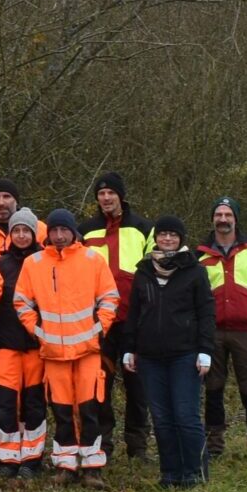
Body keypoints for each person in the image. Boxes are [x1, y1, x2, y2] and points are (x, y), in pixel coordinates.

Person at [13, 208, 117, 488]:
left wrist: (99, 328)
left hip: (87, 351)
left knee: (90, 409)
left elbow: (109, 298)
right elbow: (21, 302)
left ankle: (92, 467)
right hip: (54, 353)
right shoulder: (34, 263)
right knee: (60, 410)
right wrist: (38, 331)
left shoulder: (93, 259)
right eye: (55, 231)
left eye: (64, 230)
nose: (59, 236)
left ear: (73, 232)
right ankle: (65, 465)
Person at [122, 216, 216, 487]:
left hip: (185, 354)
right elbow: (134, 313)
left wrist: (205, 350)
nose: (167, 239)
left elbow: (206, 313)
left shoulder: (195, 271)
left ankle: (195, 473)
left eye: (173, 235)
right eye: (162, 234)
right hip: (150, 357)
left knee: (185, 415)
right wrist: (129, 348)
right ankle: (171, 474)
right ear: (156, 238)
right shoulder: (144, 271)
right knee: (162, 419)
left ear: (181, 238)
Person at [196, 196, 247, 468]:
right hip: (213, 333)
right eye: (218, 214)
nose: (223, 219)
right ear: (212, 219)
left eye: (228, 214)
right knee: (213, 391)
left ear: (235, 219)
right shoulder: (200, 253)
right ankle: (215, 446)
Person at [79, 171, 154, 460]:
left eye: (111, 192)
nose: (106, 198)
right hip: (98, 322)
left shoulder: (143, 228)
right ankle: (103, 443)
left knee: (138, 386)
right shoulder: (85, 231)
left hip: (135, 321)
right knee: (100, 385)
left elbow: (154, 273)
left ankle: (138, 446)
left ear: (121, 196)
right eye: (101, 193)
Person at [0, 208, 46, 478]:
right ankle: (8, 458)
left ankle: (32, 458)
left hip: (36, 346)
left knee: (34, 402)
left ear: (34, 233)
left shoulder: (44, 262)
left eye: (26, 230)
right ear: (10, 234)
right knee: (5, 402)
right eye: (17, 230)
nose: (21, 235)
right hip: (5, 345)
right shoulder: (0, 265)